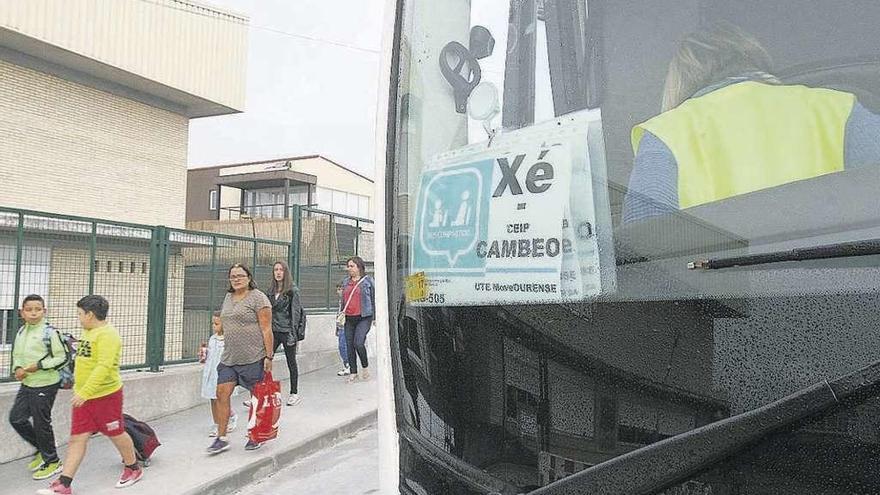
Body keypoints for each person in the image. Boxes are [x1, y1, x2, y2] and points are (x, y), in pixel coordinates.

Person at [623, 22, 880, 223]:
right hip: (843, 282)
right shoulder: (838, 111)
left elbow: (644, 256)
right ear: (752, 59)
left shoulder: (666, 136)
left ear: (678, 82)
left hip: (716, 289)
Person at [38, 295, 142, 494]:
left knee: (116, 433)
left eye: (79, 314)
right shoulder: (88, 332)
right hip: (83, 397)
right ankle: (64, 484)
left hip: (106, 396)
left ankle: (133, 468)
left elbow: (103, 367)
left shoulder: (108, 335)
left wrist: (85, 391)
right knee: (78, 438)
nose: (78, 317)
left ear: (90, 314)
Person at [206, 263, 273, 455]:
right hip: (229, 357)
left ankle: (256, 434)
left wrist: (269, 356)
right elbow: (224, 323)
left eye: (240, 276)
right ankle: (222, 437)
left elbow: (266, 328)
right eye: (232, 276)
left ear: (249, 278)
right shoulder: (228, 297)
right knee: (221, 393)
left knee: (256, 397)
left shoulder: (259, 298)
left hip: (253, 356)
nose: (236, 279)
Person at [9, 294, 64, 481]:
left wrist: (39, 366)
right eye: (29, 310)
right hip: (27, 383)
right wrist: (17, 368)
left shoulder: (50, 332)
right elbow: (17, 355)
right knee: (16, 418)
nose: (33, 313)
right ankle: (43, 449)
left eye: (38, 309)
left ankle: (53, 461)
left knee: (42, 423)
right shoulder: (21, 331)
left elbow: (62, 358)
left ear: (44, 311)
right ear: (21, 312)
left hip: (46, 383)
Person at [267, 261, 306, 406]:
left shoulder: (292, 291)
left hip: (287, 330)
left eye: (281, 270)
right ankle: (263, 392)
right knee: (265, 359)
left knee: (291, 362)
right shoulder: (270, 291)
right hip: (273, 330)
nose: (278, 272)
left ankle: (294, 393)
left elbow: (296, 313)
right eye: (275, 269)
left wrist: (293, 334)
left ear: (286, 272)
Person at [201, 312, 238, 437]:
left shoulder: (229, 340)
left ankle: (229, 418)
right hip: (211, 373)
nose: (213, 326)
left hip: (222, 374)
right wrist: (204, 355)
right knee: (212, 399)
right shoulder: (212, 339)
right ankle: (216, 423)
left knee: (221, 400)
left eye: (216, 324)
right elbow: (209, 356)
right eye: (212, 323)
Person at [341, 256, 376, 383]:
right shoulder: (345, 282)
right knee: (349, 345)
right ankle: (353, 372)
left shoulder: (368, 281)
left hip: (364, 317)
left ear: (359, 267)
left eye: (351, 266)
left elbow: (374, 298)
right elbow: (343, 301)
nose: (349, 269)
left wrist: (375, 317)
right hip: (349, 318)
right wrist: (341, 316)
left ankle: (365, 366)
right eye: (348, 266)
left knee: (358, 342)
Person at [335, 282, 350, 376]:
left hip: (346, 326)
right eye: (338, 289)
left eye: (341, 289)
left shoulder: (347, 301)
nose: (339, 291)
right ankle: (347, 365)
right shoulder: (340, 302)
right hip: (341, 326)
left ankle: (348, 365)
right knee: (341, 346)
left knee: (343, 346)